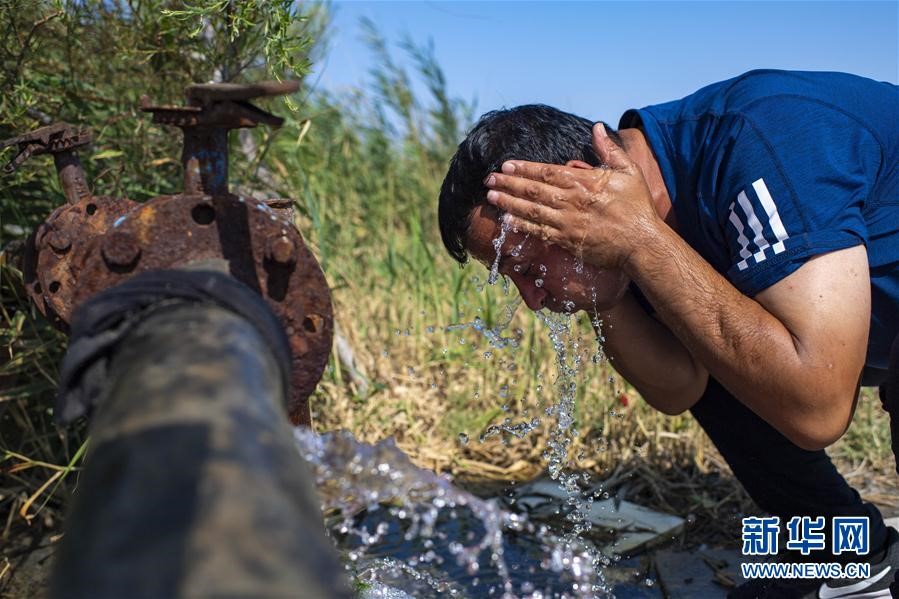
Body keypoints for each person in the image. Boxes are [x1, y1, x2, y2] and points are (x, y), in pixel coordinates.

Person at [437, 70, 899, 598]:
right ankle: (843, 557)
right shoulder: (626, 217)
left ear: (578, 188)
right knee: (717, 331)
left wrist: (641, 240)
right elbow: (681, 386)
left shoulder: (760, 145)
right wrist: (614, 286)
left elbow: (818, 407)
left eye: (525, 265)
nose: (533, 298)